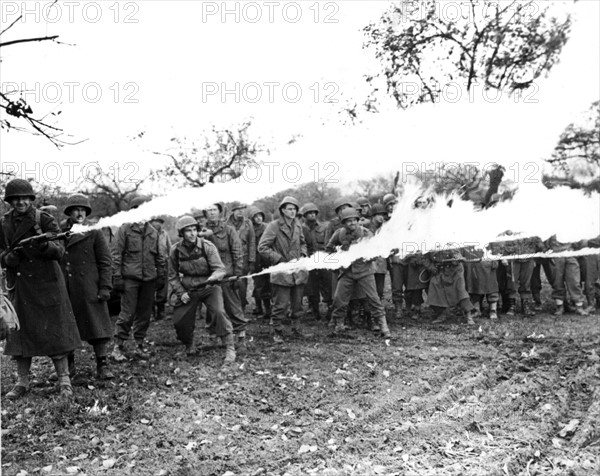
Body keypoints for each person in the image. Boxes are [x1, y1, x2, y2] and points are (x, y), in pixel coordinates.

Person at [0, 179, 81, 399]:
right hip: (21, 285)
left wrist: (44, 246)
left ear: (31, 199)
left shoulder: (43, 219)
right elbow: (1, 255)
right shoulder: (4, 223)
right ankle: (22, 382)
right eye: (16, 199)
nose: (21, 202)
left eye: (25, 198)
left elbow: (60, 249)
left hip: (47, 285)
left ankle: (64, 380)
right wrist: (10, 257)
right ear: (10, 201)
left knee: (56, 332)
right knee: (20, 335)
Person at [168, 216, 236, 365]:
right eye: (188, 231)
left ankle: (229, 347)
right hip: (188, 289)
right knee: (180, 320)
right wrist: (181, 293)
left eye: (194, 230)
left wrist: (213, 277)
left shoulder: (207, 246)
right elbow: (172, 276)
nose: (192, 234)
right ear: (182, 233)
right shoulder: (175, 250)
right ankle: (189, 345)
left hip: (209, 287)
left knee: (218, 312)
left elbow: (219, 268)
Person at [60, 194, 114, 379]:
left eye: (83, 210)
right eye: (76, 209)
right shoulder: (59, 231)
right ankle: (69, 367)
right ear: (69, 212)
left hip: (89, 287)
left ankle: (103, 365)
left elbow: (106, 262)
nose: (80, 213)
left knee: (97, 328)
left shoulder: (94, 231)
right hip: (66, 287)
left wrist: (105, 287)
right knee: (67, 328)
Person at [111, 196, 166, 361]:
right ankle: (117, 347)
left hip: (149, 279)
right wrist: (117, 277)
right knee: (127, 313)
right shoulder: (124, 230)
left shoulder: (154, 232)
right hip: (130, 279)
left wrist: (161, 275)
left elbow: (160, 257)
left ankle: (139, 344)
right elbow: (116, 255)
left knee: (144, 314)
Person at [326, 208, 391, 338]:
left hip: (365, 271)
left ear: (358, 221)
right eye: (348, 221)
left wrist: (368, 255)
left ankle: (383, 326)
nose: (352, 223)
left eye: (354, 220)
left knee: (374, 299)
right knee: (339, 299)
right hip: (347, 272)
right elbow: (329, 248)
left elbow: (376, 252)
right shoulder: (339, 234)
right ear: (343, 223)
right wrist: (339, 250)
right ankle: (338, 324)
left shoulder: (366, 233)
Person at [258, 196, 308, 343]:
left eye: (294, 209)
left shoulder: (298, 225)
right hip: (281, 271)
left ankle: (296, 329)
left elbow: (303, 242)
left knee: (297, 302)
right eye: (289, 209)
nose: (292, 212)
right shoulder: (274, 226)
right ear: (282, 210)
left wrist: (304, 255)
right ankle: (277, 331)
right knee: (281, 304)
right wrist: (278, 259)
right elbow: (262, 247)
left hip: (298, 270)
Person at [204, 203, 248, 343]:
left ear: (220, 212)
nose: (212, 213)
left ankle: (241, 334)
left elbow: (237, 252)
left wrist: (237, 273)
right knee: (213, 307)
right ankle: (213, 335)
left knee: (232, 304)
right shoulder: (200, 231)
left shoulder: (229, 230)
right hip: (209, 276)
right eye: (209, 210)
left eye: (214, 210)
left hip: (227, 275)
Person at [424, 248, 476, 325]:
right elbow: (424, 258)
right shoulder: (430, 240)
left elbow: (459, 254)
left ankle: (468, 315)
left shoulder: (453, 239)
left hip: (455, 270)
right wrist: (431, 267)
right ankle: (441, 314)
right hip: (439, 270)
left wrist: (456, 258)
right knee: (434, 288)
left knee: (460, 291)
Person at [301, 202, 332, 320]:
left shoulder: (324, 227)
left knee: (328, 285)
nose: (312, 215)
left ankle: (330, 309)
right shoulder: (301, 229)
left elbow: (328, 243)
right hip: (309, 262)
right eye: (309, 213)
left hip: (323, 261)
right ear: (304, 215)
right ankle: (315, 311)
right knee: (312, 288)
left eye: (314, 213)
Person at [226, 203, 256, 311]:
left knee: (242, 284)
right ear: (233, 211)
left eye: (242, 209)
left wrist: (252, 260)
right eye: (237, 209)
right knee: (229, 284)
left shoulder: (248, 223)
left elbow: (252, 242)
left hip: (244, 258)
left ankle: (242, 309)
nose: (240, 211)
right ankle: (231, 309)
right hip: (229, 259)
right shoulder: (225, 224)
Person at [248, 206, 272, 319]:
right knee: (258, 284)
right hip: (256, 259)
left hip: (267, 258)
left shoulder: (268, 227)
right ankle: (259, 307)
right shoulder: (249, 229)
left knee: (269, 284)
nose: (259, 218)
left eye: (260, 216)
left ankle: (269, 310)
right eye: (256, 216)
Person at [149, 216, 172, 321]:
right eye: (155, 221)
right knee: (150, 287)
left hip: (164, 263)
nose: (157, 224)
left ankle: (161, 311)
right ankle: (151, 312)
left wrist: (171, 261)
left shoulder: (164, 234)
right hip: (151, 263)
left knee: (163, 287)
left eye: (159, 222)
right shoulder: (147, 234)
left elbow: (169, 248)